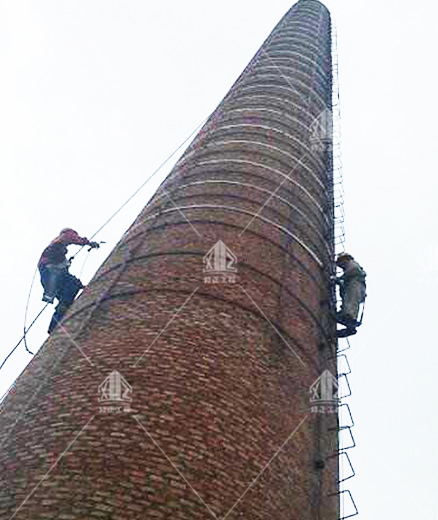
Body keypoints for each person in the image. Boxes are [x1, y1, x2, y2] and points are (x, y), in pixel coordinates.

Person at [38, 229, 99, 334]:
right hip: (52, 274)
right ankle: (57, 319)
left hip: (50, 277)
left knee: (66, 298)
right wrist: (88, 243)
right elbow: (72, 238)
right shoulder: (60, 241)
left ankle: (55, 324)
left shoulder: (56, 251)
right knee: (72, 285)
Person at [335, 253, 366, 336]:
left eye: (340, 263)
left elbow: (354, 270)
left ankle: (348, 317)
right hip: (354, 285)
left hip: (355, 285)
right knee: (348, 300)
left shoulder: (351, 263)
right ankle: (347, 318)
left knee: (350, 301)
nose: (340, 266)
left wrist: (339, 278)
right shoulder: (349, 267)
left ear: (344, 259)